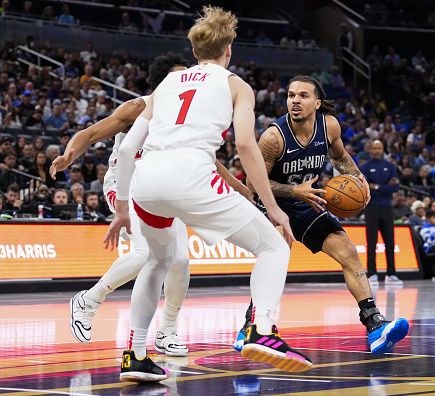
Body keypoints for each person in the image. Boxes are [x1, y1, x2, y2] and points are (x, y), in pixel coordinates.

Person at [104, 7, 313, 381]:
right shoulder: (236, 84)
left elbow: (123, 151)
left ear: (196, 49)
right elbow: (247, 146)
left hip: (146, 181)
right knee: (274, 246)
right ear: (228, 48)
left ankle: (134, 356)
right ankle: (262, 329)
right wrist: (272, 208)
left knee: (156, 260)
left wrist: (121, 208)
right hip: (192, 175)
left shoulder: (166, 85)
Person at [50, 54, 248, 361]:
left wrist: (238, 186)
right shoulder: (138, 107)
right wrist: (68, 156)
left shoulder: (185, 118)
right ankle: (88, 300)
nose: (185, 81)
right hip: (125, 187)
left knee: (180, 260)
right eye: (177, 76)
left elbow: (206, 158)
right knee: (145, 255)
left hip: (162, 189)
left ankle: (167, 331)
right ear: (161, 83)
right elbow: (88, 133)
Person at [233, 75, 409, 355]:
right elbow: (255, 184)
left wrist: (357, 176)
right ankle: (250, 327)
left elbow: (339, 157)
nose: (295, 101)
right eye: (291, 95)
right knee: (277, 253)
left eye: (303, 96)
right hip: (275, 203)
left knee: (348, 252)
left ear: (317, 102)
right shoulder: (273, 137)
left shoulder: (329, 126)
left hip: (308, 201)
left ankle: (374, 325)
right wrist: (293, 191)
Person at [360, 140, 401, 285]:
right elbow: (365, 188)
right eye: (374, 148)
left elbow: (395, 188)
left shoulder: (390, 166)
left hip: (387, 208)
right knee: (371, 242)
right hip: (371, 208)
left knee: (390, 242)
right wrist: (384, 187)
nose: (377, 150)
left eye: (379, 148)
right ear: (370, 150)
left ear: (383, 149)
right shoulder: (365, 167)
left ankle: (391, 273)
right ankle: (372, 274)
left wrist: (376, 187)